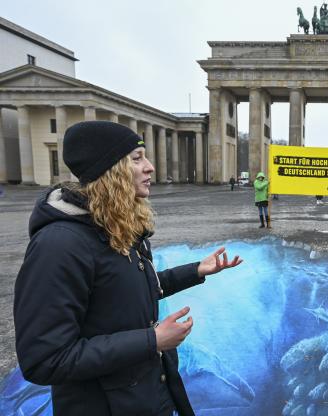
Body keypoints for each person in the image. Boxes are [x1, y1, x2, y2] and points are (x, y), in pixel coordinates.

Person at [13, 121, 243, 416]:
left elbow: (123, 292)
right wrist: (153, 340)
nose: (150, 167)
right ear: (109, 171)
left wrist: (196, 270)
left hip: (144, 398)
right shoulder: (58, 245)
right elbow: (44, 359)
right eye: (137, 158)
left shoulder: (115, 227)